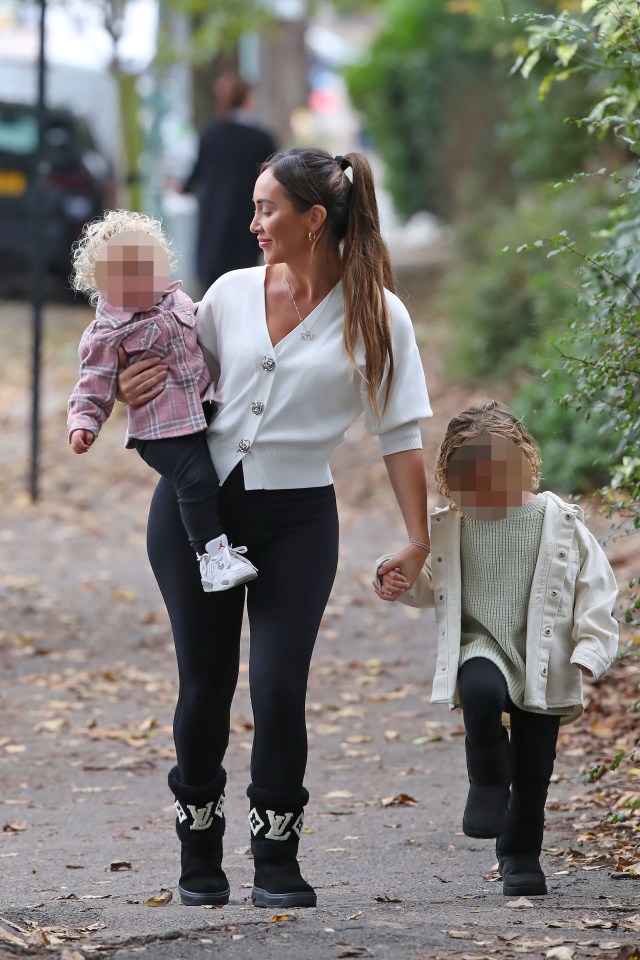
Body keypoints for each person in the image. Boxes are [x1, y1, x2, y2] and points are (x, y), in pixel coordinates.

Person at [117, 147, 433, 909]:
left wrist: (417, 538)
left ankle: (276, 861)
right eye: (254, 207)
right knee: (206, 685)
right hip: (201, 517)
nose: (253, 221)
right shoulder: (226, 293)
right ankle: (199, 857)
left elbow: (400, 434)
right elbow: (171, 388)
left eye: (268, 209)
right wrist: (129, 387)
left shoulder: (378, 315)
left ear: (314, 219)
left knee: (280, 686)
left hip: (298, 520)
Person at [374, 400, 619, 897]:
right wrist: (399, 578)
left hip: (542, 656)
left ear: (524, 463)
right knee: (481, 692)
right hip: (479, 644)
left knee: (534, 769)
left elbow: (597, 587)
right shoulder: (450, 524)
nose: (487, 490)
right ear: (451, 475)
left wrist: (592, 649)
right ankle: (486, 781)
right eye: (473, 480)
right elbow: (431, 584)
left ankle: (520, 856)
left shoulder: (559, 520)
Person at [67, 209, 257, 593]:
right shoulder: (106, 334)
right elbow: (92, 384)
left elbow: (204, 322)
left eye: (147, 269)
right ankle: (212, 556)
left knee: (211, 475)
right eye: (126, 274)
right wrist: (83, 424)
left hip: (200, 410)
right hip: (159, 432)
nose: (141, 280)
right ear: (102, 282)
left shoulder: (176, 300)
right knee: (197, 478)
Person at [181, 72, 277, 289]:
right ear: (247, 99)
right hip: (246, 216)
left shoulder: (210, 133)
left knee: (213, 279)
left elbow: (196, 173)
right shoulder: (261, 138)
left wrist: (182, 187)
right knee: (244, 277)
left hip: (213, 215)